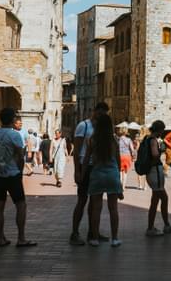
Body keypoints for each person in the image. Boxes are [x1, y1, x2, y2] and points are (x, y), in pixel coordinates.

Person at [0, 108, 36, 248]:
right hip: (12, 174)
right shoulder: (14, 135)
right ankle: (21, 238)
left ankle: (1, 238)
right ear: (12, 120)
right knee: (21, 205)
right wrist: (20, 172)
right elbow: (20, 156)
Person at [71, 102, 110, 246]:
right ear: (94, 111)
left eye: (104, 114)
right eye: (100, 113)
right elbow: (76, 150)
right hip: (84, 166)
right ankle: (74, 233)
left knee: (96, 202)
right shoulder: (84, 126)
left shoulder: (102, 129)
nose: (101, 116)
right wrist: (77, 170)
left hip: (97, 167)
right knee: (82, 201)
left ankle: (93, 232)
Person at [81, 113, 123, 247]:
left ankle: (94, 238)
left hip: (97, 174)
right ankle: (115, 238)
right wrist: (119, 180)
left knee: (96, 209)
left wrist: (82, 175)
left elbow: (87, 159)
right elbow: (118, 160)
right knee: (113, 208)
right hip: (112, 174)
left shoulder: (92, 140)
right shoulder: (114, 140)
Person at [145, 120, 171, 237]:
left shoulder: (147, 138)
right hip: (154, 172)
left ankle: (155, 226)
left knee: (155, 200)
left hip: (152, 172)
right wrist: (161, 149)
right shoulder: (152, 140)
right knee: (162, 199)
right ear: (159, 130)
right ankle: (161, 226)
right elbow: (155, 154)